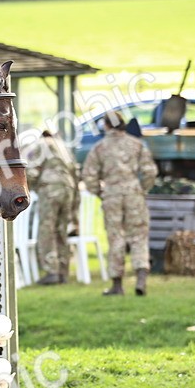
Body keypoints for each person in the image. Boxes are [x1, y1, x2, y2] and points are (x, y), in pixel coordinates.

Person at [81, 111, 158, 295]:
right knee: (139, 235)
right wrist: (141, 189)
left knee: (116, 237)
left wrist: (101, 192)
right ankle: (141, 278)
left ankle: (117, 284)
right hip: (134, 193)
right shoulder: (137, 145)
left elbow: (89, 175)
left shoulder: (100, 148)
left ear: (107, 126)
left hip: (112, 194)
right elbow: (150, 172)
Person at [27, 129, 80, 285]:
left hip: (50, 189)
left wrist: (28, 189)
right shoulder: (64, 148)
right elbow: (75, 173)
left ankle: (52, 271)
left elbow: (32, 172)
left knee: (47, 229)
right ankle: (63, 270)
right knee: (61, 229)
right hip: (68, 188)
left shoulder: (40, 145)